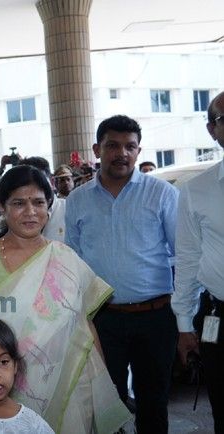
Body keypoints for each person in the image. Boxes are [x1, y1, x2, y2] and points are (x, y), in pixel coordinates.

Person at [0, 165, 132, 433]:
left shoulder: (65, 256)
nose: (30, 212)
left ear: (49, 206)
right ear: (2, 207)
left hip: (73, 379)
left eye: (38, 202)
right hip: (12, 385)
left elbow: (85, 325)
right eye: (19, 203)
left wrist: (105, 380)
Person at [65, 115, 178, 434]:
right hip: (102, 320)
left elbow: (183, 253)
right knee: (104, 405)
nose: (122, 153)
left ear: (138, 151)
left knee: (153, 402)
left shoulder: (161, 193)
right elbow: (72, 262)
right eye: (113, 145)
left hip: (156, 317)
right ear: (97, 150)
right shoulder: (77, 200)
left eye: (130, 146)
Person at [172, 90, 224, 434]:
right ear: (212, 130)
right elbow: (188, 259)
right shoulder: (197, 190)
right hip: (219, 318)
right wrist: (184, 324)